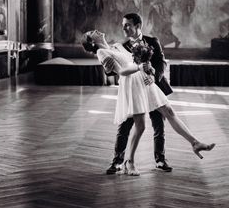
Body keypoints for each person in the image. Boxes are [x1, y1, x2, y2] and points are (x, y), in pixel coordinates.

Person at [81, 27, 215, 176]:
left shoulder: (117, 46)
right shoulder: (101, 52)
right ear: (91, 41)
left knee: (169, 111)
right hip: (132, 86)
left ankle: (195, 143)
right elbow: (121, 72)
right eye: (91, 33)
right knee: (141, 126)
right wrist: (139, 67)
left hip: (145, 82)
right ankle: (129, 162)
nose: (95, 30)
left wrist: (148, 68)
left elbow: (134, 63)